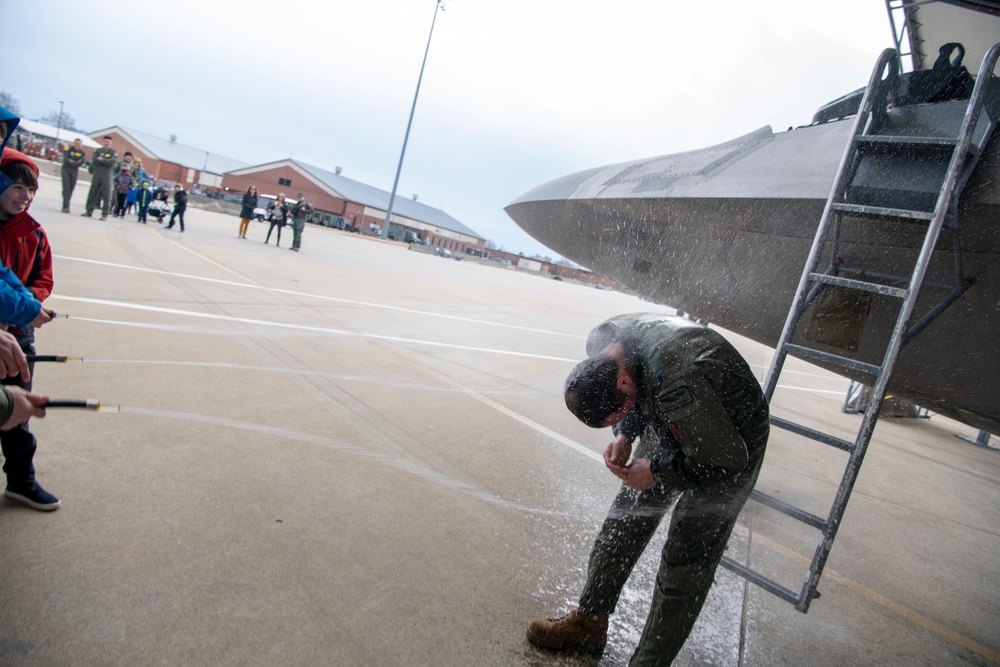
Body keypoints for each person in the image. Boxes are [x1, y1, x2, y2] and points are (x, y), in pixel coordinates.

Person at [527, 313, 769, 665]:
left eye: (619, 411)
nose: (621, 417)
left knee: (685, 558)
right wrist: (625, 433)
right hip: (669, 412)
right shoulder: (604, 342)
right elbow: (636, 401)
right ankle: (589, 623)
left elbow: (726, 459)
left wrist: (657, 472)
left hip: (730, 440)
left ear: (624, 383)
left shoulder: (675, 377)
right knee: (625, 520)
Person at [0, 148, 59, 511]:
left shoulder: (35, 234)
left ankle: (21, 482)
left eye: (31, 190)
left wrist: (29, 308)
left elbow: (43, 280)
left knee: (17, 411)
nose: (25, 196)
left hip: (18, 337)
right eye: (17, 187)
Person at [82, 136, 118, 220]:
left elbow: (111, 162)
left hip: (107, 174)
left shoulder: (113, 152)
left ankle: (104, 214)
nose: (107, 143)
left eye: (108, 141)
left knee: (106, 194)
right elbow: (94, 160)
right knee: (92, 192)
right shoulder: (98, 150)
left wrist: (101, 159)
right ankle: (89, 211)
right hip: (97, 173)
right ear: (103, 142)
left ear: (111, 143)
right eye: (105, 141)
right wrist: (105, 160)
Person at [60, 138, 86, 213]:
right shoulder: (68, 149)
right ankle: (65, 205)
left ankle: (67, 202)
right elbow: (66, 159)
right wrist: (76, 161)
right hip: (66, 170)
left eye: (79, 144)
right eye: (76, 143)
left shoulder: (82, 152)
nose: (77, 145)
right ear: (73, 143)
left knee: (71, 188)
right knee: (66, 188)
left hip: (74, 171)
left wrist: (73, 161)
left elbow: (82, 162)